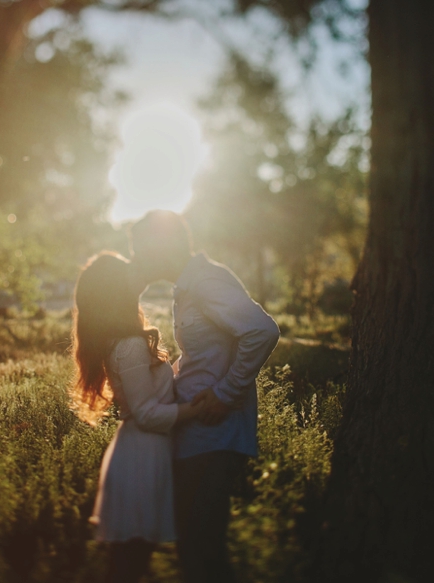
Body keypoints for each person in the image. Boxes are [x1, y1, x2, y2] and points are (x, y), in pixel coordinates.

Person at [128, 211, 280, 583]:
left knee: (201, 549)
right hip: (195, 430)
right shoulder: (189, 284)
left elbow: (261, 331)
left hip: (215, 431)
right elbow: (207, 354)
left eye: (140, 250)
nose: (137, 260)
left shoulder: (206, 280)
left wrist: (226, 393)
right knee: (196, 545)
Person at [71, 251, 204, 583]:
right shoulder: (128, 344)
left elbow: (146, 396)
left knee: (129, 564)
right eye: (128, 273)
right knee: (129, 563)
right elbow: (146, 413)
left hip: (142, 453)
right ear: (118, 290)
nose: (136, 276)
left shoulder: (124, 341)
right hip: (142, 456)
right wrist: (200, 409)